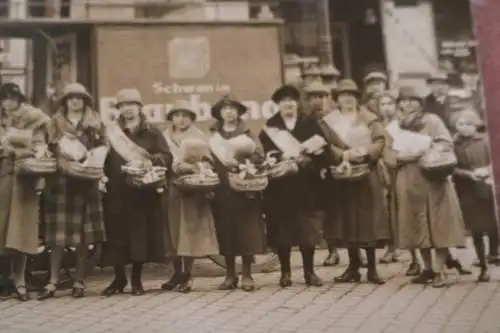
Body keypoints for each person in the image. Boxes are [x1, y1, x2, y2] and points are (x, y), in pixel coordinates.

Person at [39, 83, 107, 300]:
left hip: (85, 183)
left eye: (79, 98)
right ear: (65, 102)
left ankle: (79, 281)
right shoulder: (54, 123)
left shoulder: (95, 123)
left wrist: (92, 159)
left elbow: (103, 147)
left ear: (85, 101)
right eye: (71, 98)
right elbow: (47, 149)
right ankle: (52, 282)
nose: (75, 102)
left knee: (82, 238)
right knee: (58, 239)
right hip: (61, 184)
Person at [393, 86, 466, 288]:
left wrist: (424, 150)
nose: (407, 104)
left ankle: (440, 269)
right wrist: (397, 156)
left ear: (420, 103)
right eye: (403, 101)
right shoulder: (395, 125)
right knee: (416, 224)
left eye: (412, 100)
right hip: (409, 179)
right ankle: (427, 268)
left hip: (433, 176)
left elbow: (445, 142)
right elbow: (388, 151)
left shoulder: (431, 121)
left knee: (438, 224)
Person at [100, 89, 170, 296]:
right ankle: (119, 278)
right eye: (123, 105)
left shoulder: (152, 132)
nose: (127, 109)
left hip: (141, 191)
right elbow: (100, 156)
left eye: (132, 104)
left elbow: (166, 156)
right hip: (116, 190)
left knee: (139, 235)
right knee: (116, 235)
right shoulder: (110, 132)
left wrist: (149, 161)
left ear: (140, 107)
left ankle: (137, 280)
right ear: (119, 109)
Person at [259, 84, 327, 288]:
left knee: (307, 230)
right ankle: (285, 272)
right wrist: (280, 158)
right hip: (281, 187)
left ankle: (309, 272)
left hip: (306, 185)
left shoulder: (309, 124)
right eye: (283, 101)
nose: (288, 104)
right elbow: (265, 154)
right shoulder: (270, 128)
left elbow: (323, 149)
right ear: (277, 105)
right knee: (282, 230)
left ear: (297, 103)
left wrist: (312, 160)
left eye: (291, 100)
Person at [323, 79, 389, 284]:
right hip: (342, 175)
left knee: (366, 221)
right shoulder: (329, 121)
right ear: (337, 100)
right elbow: (325, 144)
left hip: (366, 175)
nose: (347, 99)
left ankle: (372, 268)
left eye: (351, 96)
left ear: (357, 99)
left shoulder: (370, 118)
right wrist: (343, 155)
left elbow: (380, 141)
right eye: (343, 96)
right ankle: (353, 266)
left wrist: (365, 153)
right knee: (347, 220)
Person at [209, 95, 267, 292]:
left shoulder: (248, 133)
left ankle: (247, 274)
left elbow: (260, 155)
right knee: (226, 231)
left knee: (246, 232)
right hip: (222, 189)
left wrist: (243, 162)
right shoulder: (214, 135)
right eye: (225, 109)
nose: (229, 112)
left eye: (233, 108)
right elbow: (208, 159)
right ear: (219, 113)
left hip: (244, 188)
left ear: (238, 112)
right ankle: (230, 274)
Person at [162, 100, 219, 293]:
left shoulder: (199, 137)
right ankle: (177, 272)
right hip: (170, 187)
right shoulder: (164, 137)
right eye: (177, 115)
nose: (181, 119)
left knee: (189, 232)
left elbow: (209, 162)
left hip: (192, 189)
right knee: (172, 231)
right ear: (171, 118)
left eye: (185, 115)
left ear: (192, 118)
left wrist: (196, 167)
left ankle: (187, 274)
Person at [0, 83, 50, 301]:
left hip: (24, 179)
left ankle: (20, 279)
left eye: (12, 98)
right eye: (4, 99)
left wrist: (14, 149)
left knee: (20, 230)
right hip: (3, 178)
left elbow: (40, 149)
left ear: (20, 99)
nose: (7, 103)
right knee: (2, 229)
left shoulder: (35, 119)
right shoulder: (2, 119)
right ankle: (5, 279)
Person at [453, 108, 498, 282]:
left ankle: (494, 255)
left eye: (469, 124)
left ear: (476, 125)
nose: (465, 127)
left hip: (486, 188)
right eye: (461, 124)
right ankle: (482, 264)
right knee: (476, 230)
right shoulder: (454, 145)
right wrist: (467, 174)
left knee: (493, 226)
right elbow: (452, 168)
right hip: (467, 190)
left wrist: (488, 170)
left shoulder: (485, 142)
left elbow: (494, 160)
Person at [377, 91, 401, 264]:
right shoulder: (378, 126)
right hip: (383, 168)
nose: (386, 108)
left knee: (400, 208)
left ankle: (402, 246)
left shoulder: (400, 124)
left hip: (399, 168)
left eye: (389, 104)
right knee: (387, 209)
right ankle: (390, 246)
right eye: (383, 104)